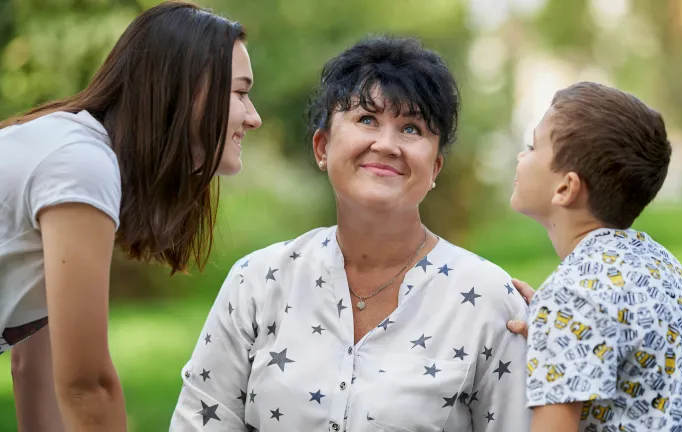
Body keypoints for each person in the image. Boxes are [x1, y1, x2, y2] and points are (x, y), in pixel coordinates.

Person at [170, 35, 531, 431]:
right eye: (366, 119)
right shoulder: (257, 284)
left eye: (411, 128)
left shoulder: (490, 301)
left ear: (436, 168)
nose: (387, 144)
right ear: (322, 147)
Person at [0, 2, 261, 430]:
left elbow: (37, 369)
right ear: (182, 88)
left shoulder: (73, 153)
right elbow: (87, 386)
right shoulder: (80, 164)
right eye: (240, 92)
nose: (254, 117)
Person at [505, 81, 682, 431]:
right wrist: (563, 331)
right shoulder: (659, 262)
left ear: (565, 188)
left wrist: (561, 316)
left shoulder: (573, 295)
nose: (521, 156)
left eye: (531, 146)